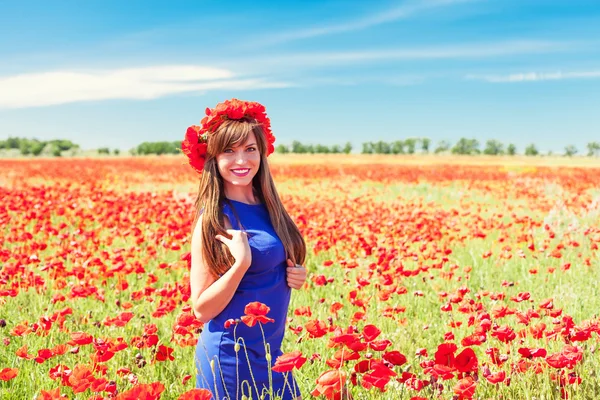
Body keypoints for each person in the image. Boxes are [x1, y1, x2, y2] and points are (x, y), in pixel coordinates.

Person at [182, 98, 308, 400]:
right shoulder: (214, 218)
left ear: (262, 153)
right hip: (230, 357)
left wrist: (295, 274)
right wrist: (240, 265)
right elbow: (201, 309)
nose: (242, 160)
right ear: (213, 158)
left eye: (250, 149)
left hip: (270, 354)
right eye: (229, 151)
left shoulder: (269, 208)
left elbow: (273, 262)